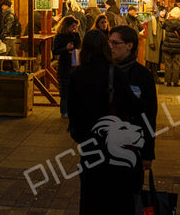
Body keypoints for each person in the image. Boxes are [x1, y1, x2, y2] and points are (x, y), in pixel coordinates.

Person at [66, 26, 157, 214]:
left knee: (96, 200)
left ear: (130, 46)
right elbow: (138, 108)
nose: (111, 47)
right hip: (118, 151)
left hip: (106, 150)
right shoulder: (113, 73)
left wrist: (147, 151)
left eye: (115, 43)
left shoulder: (140, 75)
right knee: (118, 202)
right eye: (110, 43)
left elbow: (149, 115)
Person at [53, 16, 81, 119]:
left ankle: (73, 109)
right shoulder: (59, 37)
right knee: (64, 89)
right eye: (72, 26)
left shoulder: (74, 35)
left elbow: (79, 45)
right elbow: (55, 51)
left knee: (74, 88)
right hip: (64, 64)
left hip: (74, 64)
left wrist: (77, 33)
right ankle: (64, 111)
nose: (74, 28)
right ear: (67, 26)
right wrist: (66, 48)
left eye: (75, 26)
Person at [0, 0, 20, 72]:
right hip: (12, 38)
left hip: (8, 38)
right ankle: (17, 69)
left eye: (3, 6)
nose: (2, 7)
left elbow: (7, 28)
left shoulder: (8, 15)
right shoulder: (11, 14)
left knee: (1, 54)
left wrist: (1, 37)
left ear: (6, 6)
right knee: (13, 55)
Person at [160, 6, 180, 87]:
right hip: (177, 47)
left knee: (168, 64)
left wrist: (168, 17)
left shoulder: (167, 22)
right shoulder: (179, 23)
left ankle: (168, 81)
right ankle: (175, 82)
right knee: (176, 64)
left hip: (167, 46)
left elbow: (162, 26)